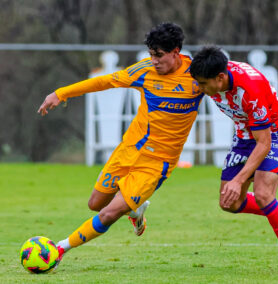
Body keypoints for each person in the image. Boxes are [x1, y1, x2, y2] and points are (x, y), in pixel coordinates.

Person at [37, 22, 204, 266]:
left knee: (108, 214)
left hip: (157, 163)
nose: (154, 61)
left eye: (159, 55)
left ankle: (59, 249)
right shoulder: (144, 71)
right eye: (151, 55)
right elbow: (104, 81)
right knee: (96, 204)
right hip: (129, 150)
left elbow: (228, 86)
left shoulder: (197, 76)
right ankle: (136, 209)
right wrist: (61, 93)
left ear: (176, 52)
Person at [190, 45, 278, 274]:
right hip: (244, 136)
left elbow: (264, 142)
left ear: (220, 78)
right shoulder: (211, 74)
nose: (199, 88)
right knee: (229, 203)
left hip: (274, 133)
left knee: (262, 194)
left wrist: (239, 179)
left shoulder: (250, 90)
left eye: (202, 84)